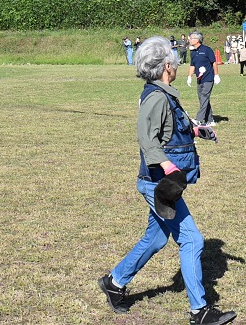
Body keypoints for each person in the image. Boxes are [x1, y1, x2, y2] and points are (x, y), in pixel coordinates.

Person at [99, 36, 235, 325]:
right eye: (174, 60)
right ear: (166, 66)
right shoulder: (157, 96)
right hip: (158, 182)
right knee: (192, 239)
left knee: (157, 237)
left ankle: (115, 281)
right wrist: (168, 165)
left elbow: (171, 129)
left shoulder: (164, 93)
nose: (176, 64)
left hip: (162, 180)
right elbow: (147, 138)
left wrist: (197, 132)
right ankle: (200, 311)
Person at [185, 31, 217, 127]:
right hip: (199, 79)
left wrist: (216, 75)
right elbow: (192, 65)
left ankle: (199, 119)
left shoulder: (207, 50)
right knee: (202, 98)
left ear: (197, 40)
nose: (189, 40)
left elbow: (214, 63)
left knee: (204, 97)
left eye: (191, 38)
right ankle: (210, 120)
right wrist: (189, 76)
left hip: (208, 77)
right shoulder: (193, 52)